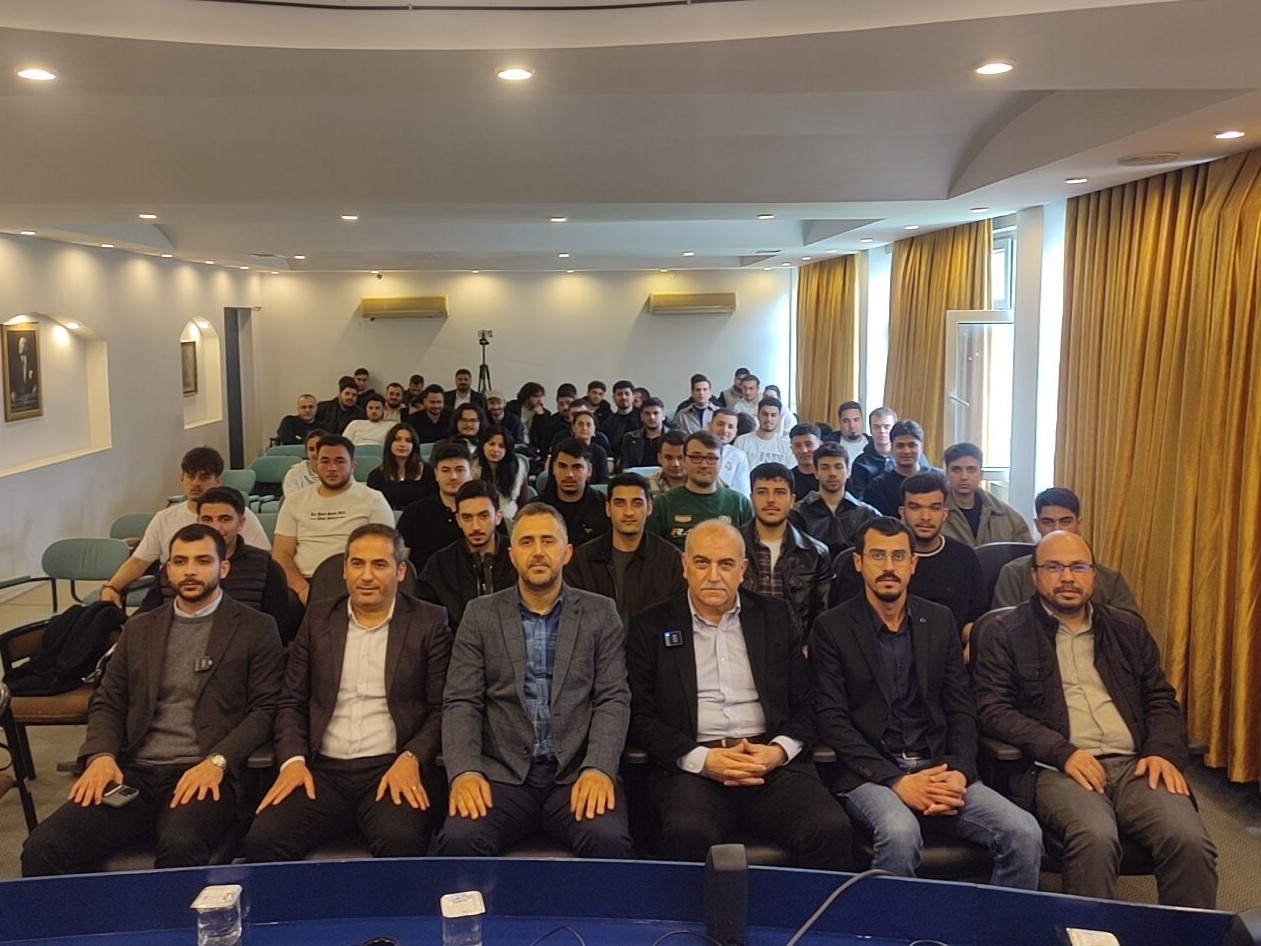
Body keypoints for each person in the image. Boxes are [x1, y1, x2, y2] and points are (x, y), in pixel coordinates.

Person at [972, 530, 1217, 908]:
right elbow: (993, 710)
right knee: (1096, 836)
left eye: (1078, 567)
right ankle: (1089, 932)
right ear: (1034, 576)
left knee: (1189, 840)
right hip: (1057, 768)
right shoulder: (1004, 632)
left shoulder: (1126, 628)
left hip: (1136, 765)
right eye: (1054, 567)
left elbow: (1159, 696)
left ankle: (1188, 935)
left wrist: (1162, 751)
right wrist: (1063, 752)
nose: (1067, 577)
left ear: (1094, 575)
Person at [21, 526, 283, 876]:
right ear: (167, 570)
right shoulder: (141, 628)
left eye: (203, 561)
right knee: (44, 847)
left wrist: (218, 760)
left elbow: (265, 710)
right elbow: (108, 701)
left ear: (223, 568)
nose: (190, 571)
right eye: (180, 561)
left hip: (203, 768)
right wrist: (100, 756)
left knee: (180, 844)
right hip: (133, 771)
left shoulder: (256, 627)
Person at [812, 518, 1042, 888]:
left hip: (938, 767)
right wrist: (897, 781)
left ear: (913, 563)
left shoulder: (938, 619)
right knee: (900, 833)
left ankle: (994, 922)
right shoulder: (831, 627)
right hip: (872, 775)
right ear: (858, 562)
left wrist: (959, 770)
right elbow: (831, 720)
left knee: (1023, 832)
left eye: (898, 556)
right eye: (878, 556)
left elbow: (961, 708)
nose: (889, 566)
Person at [627, 520, 852, 869]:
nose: (713, 575)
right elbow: (642, 717)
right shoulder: (651, 625)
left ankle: (807, 909)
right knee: (686, 832)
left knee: (830, 828)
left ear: (742, 569)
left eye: (726, 564)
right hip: (694, 771)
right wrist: (704, 760)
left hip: (770, 765)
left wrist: (777, 751)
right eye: (702, 562)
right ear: (685, 566)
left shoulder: (776, 617)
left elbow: (808, 702)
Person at [242, 525, 452, 861]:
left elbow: (441, 707)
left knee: (400, 841)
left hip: (391, 767)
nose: (366, 575)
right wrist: (293, 761)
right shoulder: (318, 619)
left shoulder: (428, 622)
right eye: (357, 564)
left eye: (379, 565)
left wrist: (412, 758)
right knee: (264, 839)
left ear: (400, 571)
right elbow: (292, 701)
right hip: (321, 769)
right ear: (344, 570)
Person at [438, 503, 633, 858]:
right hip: (501, 775)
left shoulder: (600, 612)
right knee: (460, 838)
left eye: (548, 541)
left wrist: (598, 768)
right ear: (512, 556)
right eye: (527, 542)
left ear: (567, 552)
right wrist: (464, 772)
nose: (538, 551)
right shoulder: (480, 615)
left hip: (575, 772)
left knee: (607, 839)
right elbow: (461, 701)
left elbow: (613, 698)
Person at [101, 446, 271, 607]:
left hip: (233, 590)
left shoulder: (238, 516)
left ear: (218, 481)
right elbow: (139, 562)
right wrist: (112, 587)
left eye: (204, 477)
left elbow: (262, 562)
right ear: (182, 478)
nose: (196, 483)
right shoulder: (164, 518)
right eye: (190, 476)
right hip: (173, 593)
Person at [137, 487, 288, 634]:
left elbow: (278, 627)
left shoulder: (263, 564)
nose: (215, 527)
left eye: (225, 519)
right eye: (207, 519)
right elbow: (148, 617)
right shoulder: (177, 564)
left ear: (241, 523)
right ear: (197, 521)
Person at [273, 435, 395, 608]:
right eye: (325, 461)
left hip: (352, 582)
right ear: (316, 465)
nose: (332, 468)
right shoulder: (294, 501)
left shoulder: (373, 500)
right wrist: (302, 590)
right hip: (303, 582)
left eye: (340, 461)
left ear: (353, 465)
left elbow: (383, 551)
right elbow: (281, 554)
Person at [991, 487, 1140, 615]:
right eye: (1048, 522)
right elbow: (1001, 628)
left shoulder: (1109, 579)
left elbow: (1131, 629)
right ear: (1037, 525)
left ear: (1079, 524)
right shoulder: (1014, 574)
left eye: (1065, 522)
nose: (1057, 529)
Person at [566, 472, 686, 627]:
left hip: (653, 642)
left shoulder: (671, 561)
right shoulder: (582, 560)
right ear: (608, 509)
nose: (628, 512)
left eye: (637, 503)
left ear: (649, 507)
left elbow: (678, 618)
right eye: (620, 503)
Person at [740, 463, 834, 642]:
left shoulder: (815, 553)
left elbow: (823, 614)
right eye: (762, 492)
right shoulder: (730, 546)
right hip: (739, 646)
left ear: (792, 500)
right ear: (751, 498)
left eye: (780, 492)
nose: (770, 500)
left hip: (795, 648)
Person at [416, 481, 517, 633]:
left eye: (483, 516)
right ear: (458, 520)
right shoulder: (440, 564)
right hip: (456, 644)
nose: (475, 526)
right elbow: (425, 618)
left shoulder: (518, 557)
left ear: (498, 516)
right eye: (467, 518)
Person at [650, 430, 753, 550]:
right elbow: (653, 553)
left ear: (721, 462)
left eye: (711, 458)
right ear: (684, 460)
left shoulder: (740, 504)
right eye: (696, 457)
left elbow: (748, 551)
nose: (704, 465)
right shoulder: (662, 504)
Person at [789, 443, 879, 559]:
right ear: (815, 473)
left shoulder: (866, 514)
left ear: (848, 472)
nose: (832, 473)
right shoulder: (799, 513)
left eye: (838, 467)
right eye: (825, 467)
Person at [396, 442, 473, 574]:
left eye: (460, 470)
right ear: (436, 474)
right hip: (424, 584)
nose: (453, 476)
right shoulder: (414, 512)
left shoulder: (484, 513)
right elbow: (400, 562)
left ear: (471, 473)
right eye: (445, 470)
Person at [940, 443, 1033, 546]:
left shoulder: (1007, 516)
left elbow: (1026, 553)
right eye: (956, 470)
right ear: (947, 474)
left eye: (971, 470)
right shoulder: (936, 512)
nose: (964, 477)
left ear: (981, 475)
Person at [537, 438, 609, 544]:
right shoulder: (536, 509)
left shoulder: (605, 507)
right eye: (562, 466)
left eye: (577, 467)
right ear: (554, 468)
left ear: (589, 470)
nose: (569, 474)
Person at [862, 420, 938, 517]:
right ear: (892, 448)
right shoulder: (877, 487)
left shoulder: (939, 480)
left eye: (912, 445)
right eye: (900, 446)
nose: (906, 451)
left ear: (921, 447)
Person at [366, 422, 437, 511]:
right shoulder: (376, 475)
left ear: (414, 445)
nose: (402, 444)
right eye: (397, 439)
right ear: (389, 443)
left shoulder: (428, 472)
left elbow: (434, 503)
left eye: (408, 440)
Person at [473, 424, 530, 520]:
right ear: (483, 444)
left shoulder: (517, 468)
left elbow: (523, 503)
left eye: (501, 446)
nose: (495, 450)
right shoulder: (472, 467)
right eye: (491, 444)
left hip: (509, 518)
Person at [548, 407, 609, 484]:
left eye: (588, 425)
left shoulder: (600, 452)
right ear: (573, 428)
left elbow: (603, 479)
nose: (584, 428)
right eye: (580, 424)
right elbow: (552, 478)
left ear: (594, 430)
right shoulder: (561, 449)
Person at [848, 406, 897, 500]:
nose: (882, 431)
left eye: (886, 427)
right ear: (870, 430)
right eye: (877, 427)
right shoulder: (860, 463)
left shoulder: (905, 458)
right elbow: (859, 499)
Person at [733, 397, 795, 469]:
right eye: (765, 414)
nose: (769, 419)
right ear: (758, 415)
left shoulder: (786, 447)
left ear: (779, 417)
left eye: (773, 415)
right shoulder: (741, 442)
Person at [619, 396, 668, 471]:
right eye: (647, 414)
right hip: (636, 476)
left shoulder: (674, 437)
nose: (652, 417)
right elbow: (624, 465)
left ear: (663, 416)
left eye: (656, 413)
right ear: (641, 416)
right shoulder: (630, 438)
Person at [710, 408, 751, 495]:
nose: (725, 430)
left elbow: (743, 493)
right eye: (720, 424)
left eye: (730, 427)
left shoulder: (739, 456)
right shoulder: (695, 450)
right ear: (710, 425)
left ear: (735, 431)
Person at [600, 379, 640, 454]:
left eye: (627, 394)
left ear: (633, 397)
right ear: (613, 398)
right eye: (619, 394)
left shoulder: (643, 418)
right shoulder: (608, 424)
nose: (623, 397)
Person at [283, 428, 325, 496]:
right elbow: (292, 500)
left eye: (319, 448)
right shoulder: (294, 474)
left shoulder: (337, 474)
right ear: (306, 452)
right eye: (311, 449)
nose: (315, 453)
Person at [648, 429, 689, 496]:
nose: (675, 464)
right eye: (669, 458)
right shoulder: (647, 485)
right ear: (659, 458)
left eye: (681, 458)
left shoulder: (701, 484)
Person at [788, 423, 822, 500]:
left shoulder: (830, 476)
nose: (804, 450)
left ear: (820, 445)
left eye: (809, 444)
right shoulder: (788, 479)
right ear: (792, 449)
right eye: (798, 446)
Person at [509, 381, 549, 446]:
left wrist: (541, 417)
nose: (539, 400)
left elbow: (545, 435)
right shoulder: (512, 408)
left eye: (541, 396)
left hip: (533, 447)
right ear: (526, 396)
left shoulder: (545, 413)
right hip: (514, 443)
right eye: (536, 396)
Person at [832, 400, 870, 467]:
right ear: (840, 423)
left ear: (862, 421)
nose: (852, 425)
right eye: (846, 421)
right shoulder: (828, 444)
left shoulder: (874, 445)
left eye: (856, 420)